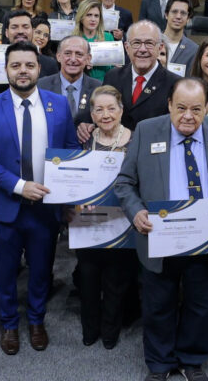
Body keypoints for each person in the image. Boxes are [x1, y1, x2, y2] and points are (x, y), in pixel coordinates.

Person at [114, 77, 208, 381]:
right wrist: (136, 212)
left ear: (206, 108)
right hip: (159, 237)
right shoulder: (147, 131)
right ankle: (160, 363)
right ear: (169, 105)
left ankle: (192, 361)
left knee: (201, 305)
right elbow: (124, 183)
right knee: (158, 304)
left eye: (197, 109)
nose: (188, 116)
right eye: (181, 108)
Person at [0, 41, 79, 355]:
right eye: (16, 65)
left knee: (42, 269)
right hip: (8, 205)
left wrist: (71, 196)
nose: (23, 71)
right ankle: (9, 323)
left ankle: (36, 320)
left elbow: (70, 150)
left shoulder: (58, 104)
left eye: (29, 65)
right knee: (5, 271)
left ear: (39, 69)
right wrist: (20, 186)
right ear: (6, 69)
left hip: (47, 207)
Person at [74, 85, 136, 350]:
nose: (106, 114)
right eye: (99, 109)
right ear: (92, 114)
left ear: (121, 110)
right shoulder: (83, 140)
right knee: (88, 277)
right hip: (87, 220)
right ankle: (90, 329)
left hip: (123, 222)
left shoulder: (135, 140)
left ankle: (110, 331)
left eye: (111, 108)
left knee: (116, 280)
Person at [84, 20, 180, 133]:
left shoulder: (175, 84)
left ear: (160, 48)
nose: (142, 49)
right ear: (127, 47)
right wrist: (87, 125)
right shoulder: (112, 77)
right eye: (136, 43)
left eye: (149, 43)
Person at [37, 36, 101, 120]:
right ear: (58, 56)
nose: (73, 59)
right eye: (67, 53)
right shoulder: (41, 86)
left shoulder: (98, 89)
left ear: (88, 59)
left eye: (79, 54)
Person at [71, 0, 115, 80]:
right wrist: (83, 66)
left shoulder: (108, 37)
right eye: (89, 15)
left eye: (96, 16)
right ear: (81, 17)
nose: (93, 19)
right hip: (81, 82)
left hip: (105, 82)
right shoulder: (73, 39)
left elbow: (113, 67)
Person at [162, 0, 198, 74]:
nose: (178, 16)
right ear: (166, 15)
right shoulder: (152, 43)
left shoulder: (194, 50)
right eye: (174, 12)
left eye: (183, 13)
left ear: (188, 19)